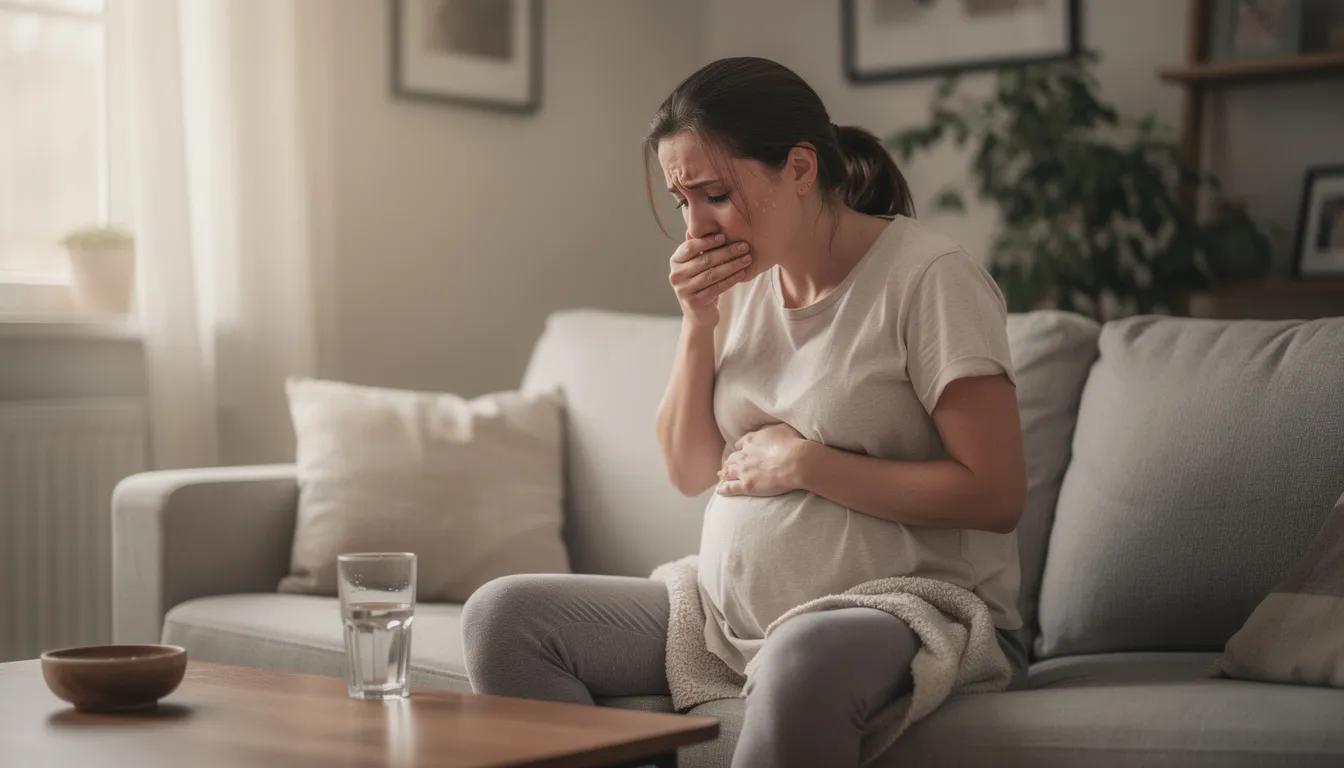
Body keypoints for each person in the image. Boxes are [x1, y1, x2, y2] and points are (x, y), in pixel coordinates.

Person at [462, 56, 1029, 768]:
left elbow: (996, 492)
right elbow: (689, 468)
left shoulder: (929, 278)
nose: (695, 228)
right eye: (682, 202)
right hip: (723, 614)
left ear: (798, 167)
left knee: (803, 654)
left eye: (715, 195)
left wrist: (810, 465)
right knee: (504, 619)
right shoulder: (738, 283)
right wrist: (697, 323)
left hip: (913, 611)